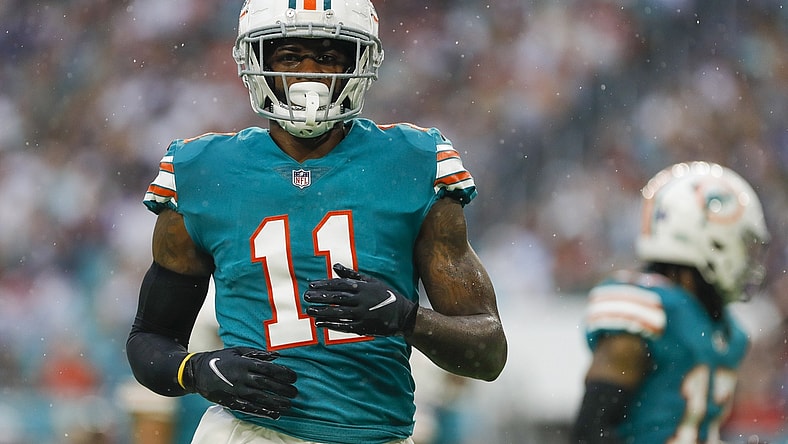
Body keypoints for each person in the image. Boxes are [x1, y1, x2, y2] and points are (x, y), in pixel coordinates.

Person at [125, 1, 508, 443]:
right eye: (290, 57)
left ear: (359, 63)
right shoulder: (203, 171)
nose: (309, 73)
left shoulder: (414, 162)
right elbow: (149, 338)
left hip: (377, 433)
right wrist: (196, 371)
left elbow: (489, 352)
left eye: (327, 57)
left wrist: (406, 318)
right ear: (259, 64)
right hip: (251, 432)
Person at [571, 161, 770, 444]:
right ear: (709, 238)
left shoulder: (725, 330)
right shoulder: (648, 308)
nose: (749, 260)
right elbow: (588, 434)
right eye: (743, 243)